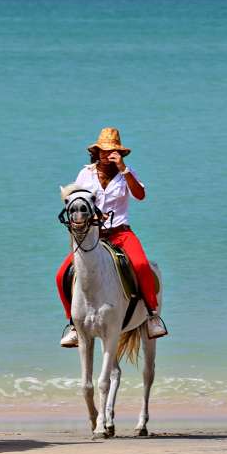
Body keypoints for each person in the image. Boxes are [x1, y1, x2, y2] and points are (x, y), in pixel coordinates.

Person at [56, 127, 167, 346]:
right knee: (61, 275)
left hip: (120, 232)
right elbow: (76, 202)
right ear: (96, 152)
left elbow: (140, 195)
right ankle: (73, 324)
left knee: (142, 265)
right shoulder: (84, 174)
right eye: (103, 151)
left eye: (112, 151)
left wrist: (124, 169)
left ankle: (152, 317)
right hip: (92, 235)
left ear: (119, 153)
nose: (107, 155)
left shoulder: (127, 173)